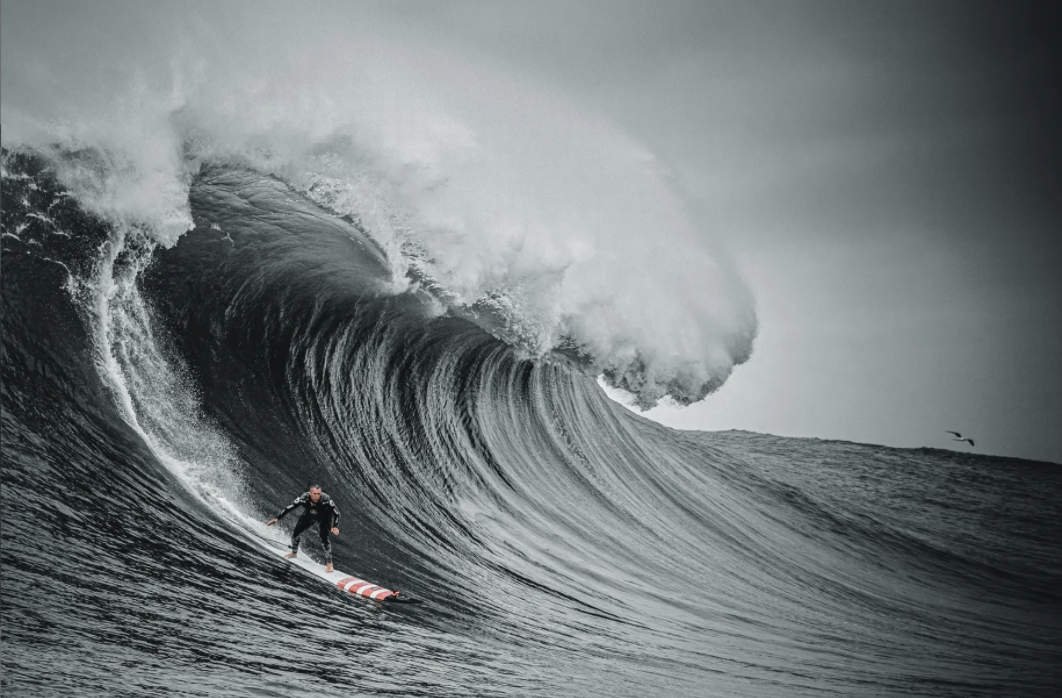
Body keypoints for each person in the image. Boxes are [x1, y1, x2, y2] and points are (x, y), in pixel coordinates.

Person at [267, 485, 340, 573]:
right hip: (310, 515)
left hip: (325, 518)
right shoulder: (304, 498)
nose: (317, 496)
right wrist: (277, 518)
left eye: (319, 494)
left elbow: (337, 514)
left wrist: (335, 526)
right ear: (310, 493)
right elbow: (289, 507)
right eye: (315, 494)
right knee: (296, 533)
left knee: (324, 537)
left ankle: (329, 564)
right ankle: (294, 553)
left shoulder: (326, 500)